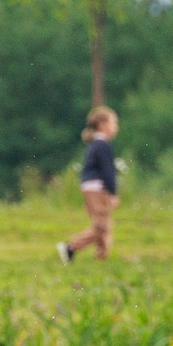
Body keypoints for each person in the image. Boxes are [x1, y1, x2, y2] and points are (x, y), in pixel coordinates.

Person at [59, 106, 121, 263]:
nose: (116, 128)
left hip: (89, 187)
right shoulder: (103, 145)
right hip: (98, 188)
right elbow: (108, 172)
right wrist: (112, 193)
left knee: (103, 224)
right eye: (113, 123)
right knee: (102, 226)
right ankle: (70, 247)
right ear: (102, 124)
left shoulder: (94, 145)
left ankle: (102, 257)